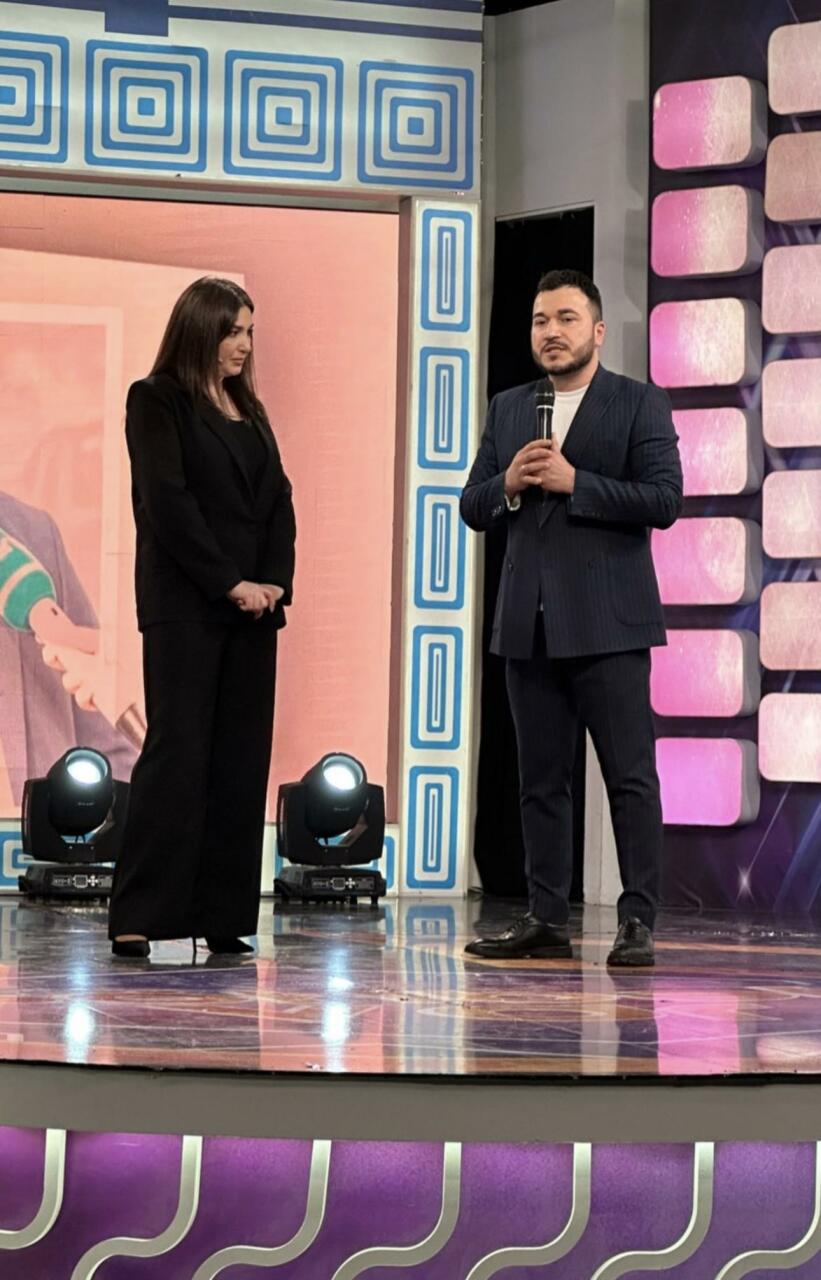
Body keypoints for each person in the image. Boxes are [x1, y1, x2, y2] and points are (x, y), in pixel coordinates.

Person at [460, 270, 682, 967]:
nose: (550, 332)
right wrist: (508, 484)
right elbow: (471, 504)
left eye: (565, 318)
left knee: (629, 779)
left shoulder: (637, 403)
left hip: (609, 626)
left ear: (597, 330)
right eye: (539, 320)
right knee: (539, 784)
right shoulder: (508, 407)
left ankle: (637, 919)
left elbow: (664, 500)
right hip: (526, 625)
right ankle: (545, 917)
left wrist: (575, 483)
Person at [107, 277, 296, 959]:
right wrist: (228, 583)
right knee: (178, 751)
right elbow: (168, 502)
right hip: (186, 605)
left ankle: (222, 914)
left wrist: (272, 582)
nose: (244, 345)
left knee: (239, 759)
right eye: (232, 331)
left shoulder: (250, 409)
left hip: (254, 613)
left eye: (249, 331)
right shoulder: (155, 399)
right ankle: (139, 913)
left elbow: (278, 500)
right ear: (200, 330)